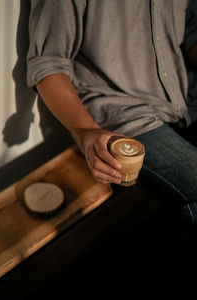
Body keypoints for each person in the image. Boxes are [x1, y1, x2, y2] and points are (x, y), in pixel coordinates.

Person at [27, 0, 197, 278]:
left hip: (184, 100)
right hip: (122, 118)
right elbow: (48, 65)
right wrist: (84, 131)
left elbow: (189, 33)